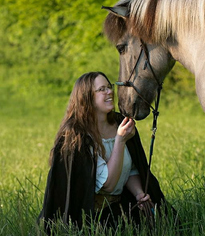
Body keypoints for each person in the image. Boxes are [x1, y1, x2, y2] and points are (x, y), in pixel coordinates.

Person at [38, 72, 175, 233]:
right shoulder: (77, 136)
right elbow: (108, 185)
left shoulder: (120, 123)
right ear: (87, 97)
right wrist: (120, 141)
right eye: (101, 89)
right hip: (91, 217)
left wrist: (139, 194)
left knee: (166, 225)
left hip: (121, 207)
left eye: (109, 87)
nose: (109, 92)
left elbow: (130, 168)